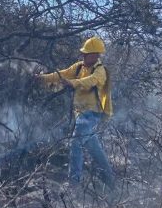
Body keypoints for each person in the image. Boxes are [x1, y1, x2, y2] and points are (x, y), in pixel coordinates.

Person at [35, 36, 115, 191]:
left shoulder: (100, 71)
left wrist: (73, 82)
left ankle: (74, 184)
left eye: (87, 54)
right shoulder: (78, 67)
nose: (84, 56)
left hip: (92, 114)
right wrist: (42, 78)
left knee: (76, 142)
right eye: (83, 53)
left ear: (96, 55)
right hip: (81, 114)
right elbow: (61, 74)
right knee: (95, 150)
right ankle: (112, 182)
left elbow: (90, 81)